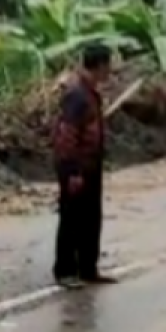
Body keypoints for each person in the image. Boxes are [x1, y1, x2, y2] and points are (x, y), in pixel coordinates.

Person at [51, 44, 115, 290]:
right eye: (108, 65)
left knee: (91, 218)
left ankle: (88, 268)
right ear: (99, 66)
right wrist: (73, 171)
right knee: (72, 218)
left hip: (91, 163)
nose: (110, 71)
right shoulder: (77, 94)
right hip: (76, 166)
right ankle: (65, 270)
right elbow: (67, 135)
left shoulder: (89, 92)